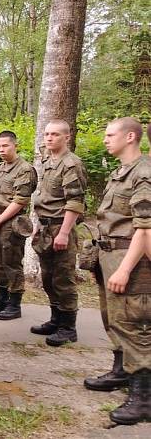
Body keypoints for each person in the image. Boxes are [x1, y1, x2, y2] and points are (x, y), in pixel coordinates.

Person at [87, 118, 151, 424]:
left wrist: (124, 269)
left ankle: (144, 397)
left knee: (132, 325)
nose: (104, 139)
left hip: (130, 260)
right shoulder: (120, 172)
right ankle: (121, 371)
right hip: (109, 256)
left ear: (130, 137)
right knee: (112, 319)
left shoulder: (144, 173)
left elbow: (145, 230)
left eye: (110, 134)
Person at [30, 119, 88, 346]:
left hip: (60, 225)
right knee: (48, 277)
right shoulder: (47, 161)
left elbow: (75, 202)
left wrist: (64, 233)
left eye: (55, 134)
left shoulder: (71, 164)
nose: (49, 138)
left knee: (63, 278)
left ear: (67, 136)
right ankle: (55, 319)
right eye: (47, 134)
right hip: (45, 226)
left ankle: (68, 327)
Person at [0, 131, 37, 320]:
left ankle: (14, 304)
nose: (1, 149)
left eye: (5, 145)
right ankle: (1, 298)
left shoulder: (24, 169)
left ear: (15, 145)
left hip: (11, 222)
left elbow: (20, 200)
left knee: (11, 262)